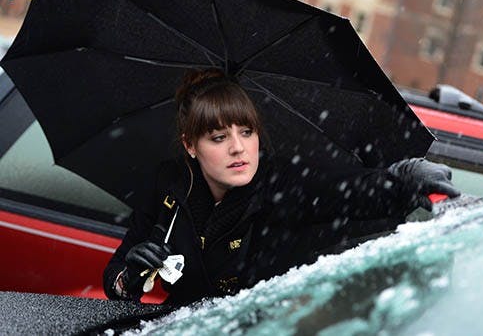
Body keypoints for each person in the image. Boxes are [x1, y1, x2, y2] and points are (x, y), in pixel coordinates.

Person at [103, 68, 460, 307]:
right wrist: (130, 277)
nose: (238, 148)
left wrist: (405, 176)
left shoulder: (280, 183)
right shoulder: (171, 185)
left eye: (247, 132)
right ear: (191, 145)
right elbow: (116, 277)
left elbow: (352, 190)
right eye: (218, 137)